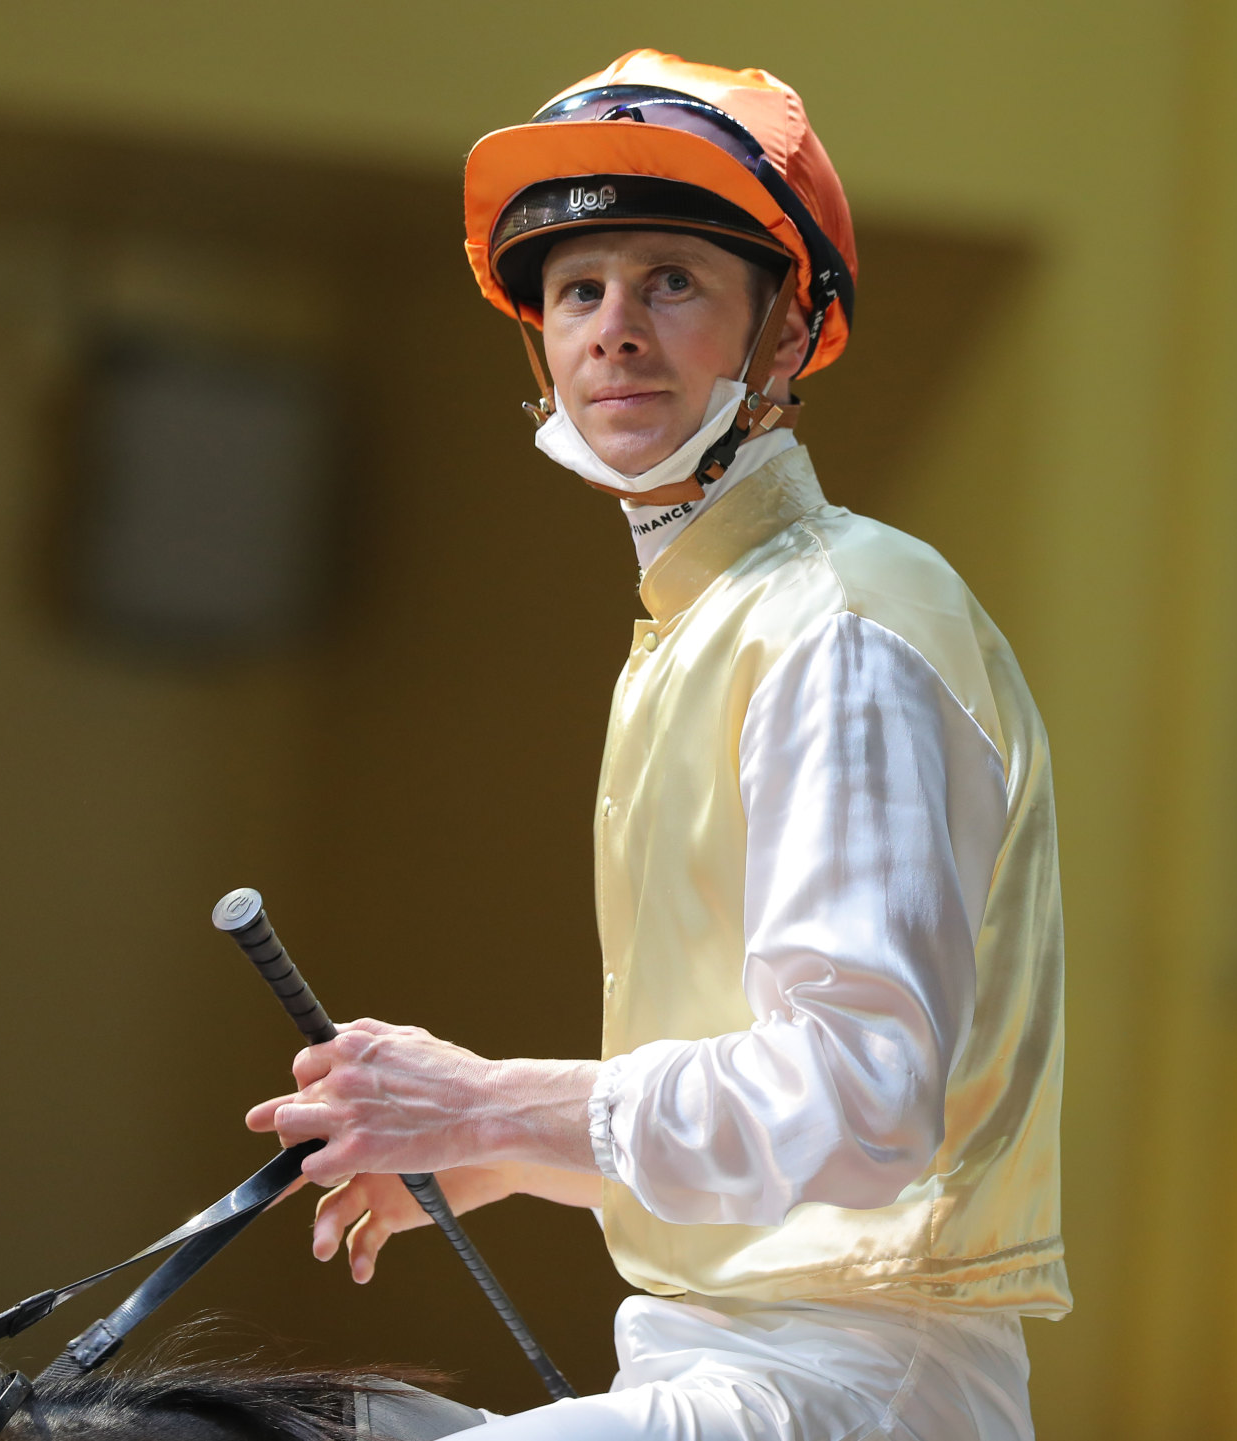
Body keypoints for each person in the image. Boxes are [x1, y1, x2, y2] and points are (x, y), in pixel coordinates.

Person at [246, 50, 1069, 1441]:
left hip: (849, 1382)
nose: (612, 329)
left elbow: (859, 1103)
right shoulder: (709, 618)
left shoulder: (840, 623)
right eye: (579, 290)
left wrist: (492, 1100)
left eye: (670, 281)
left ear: (790, 332)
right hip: (722, 1363)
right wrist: (492, 1140)